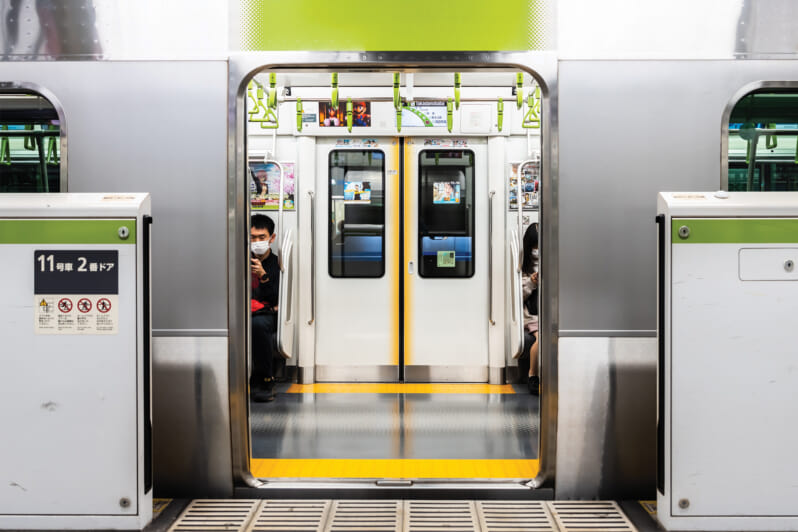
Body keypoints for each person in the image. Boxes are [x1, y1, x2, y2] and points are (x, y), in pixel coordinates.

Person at [250, 214, 280, 402]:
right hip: (244, 310)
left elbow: (277, 298)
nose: (257, 242)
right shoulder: (239, 260)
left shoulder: (276, 264)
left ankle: (266, 379)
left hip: (266, 313)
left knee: (258, 325)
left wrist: (263, 276)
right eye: (253, 237)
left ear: (271, 238)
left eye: (262, 237)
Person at [515, 223, 540, 395]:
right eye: (535, 246)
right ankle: (533, 375)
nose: (537, 250)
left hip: (549, 312)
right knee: (541, 339)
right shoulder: (524, 267)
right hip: (533, 315)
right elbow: (521, 295)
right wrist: (532, 281)